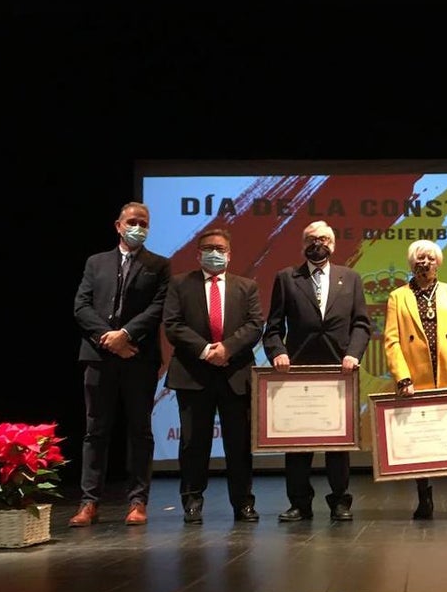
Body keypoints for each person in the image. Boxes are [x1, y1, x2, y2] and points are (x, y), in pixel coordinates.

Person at [262, 221, 371, 521]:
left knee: (339, 443)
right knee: (297, 443)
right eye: (311, 239)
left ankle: (340, 501)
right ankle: (300, 503)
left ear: (333, 245)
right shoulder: (286, 278)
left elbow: (361, 324)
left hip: (339, 372)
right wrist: (278, 353)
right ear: (302, 245)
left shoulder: (350, 278)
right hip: (298, 372)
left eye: (324, 239)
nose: (317, 243)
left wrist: (353, 354)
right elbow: (272, 328)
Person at [71, 201, 171, 527]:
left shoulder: (159, 265)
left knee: (140, 432)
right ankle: (89, 503)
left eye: (143, 222)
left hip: (138, 359)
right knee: (95, 432)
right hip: (98, 357)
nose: (138, 227)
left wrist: (126, 335)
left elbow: (158, 308)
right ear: (118, 225)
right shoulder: (95, 262)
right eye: (132, 221)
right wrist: (108, 337)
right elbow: (81, 306)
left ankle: (138, 502)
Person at [162, 228, 264, 524]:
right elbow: (173, 325)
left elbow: (254, 325)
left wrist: (227, 349)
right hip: (193, 374)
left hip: (235, 375)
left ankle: (243, 503)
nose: (214, 253)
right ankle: (192, 502)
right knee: (194, 443)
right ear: (198, 253)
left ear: (229, 254)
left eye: (220, 248)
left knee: (239, 444)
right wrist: (207, 350)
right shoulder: (180, 284)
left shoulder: (247, 287)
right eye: (208, 248)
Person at [383, 240, 447, 520]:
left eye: (429, 258)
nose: (424, 262)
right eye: (418, 258)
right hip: (416, 380)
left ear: (438, 262)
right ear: (411, 263)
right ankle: (424, 499)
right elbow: (391, 342)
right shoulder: (397, 296)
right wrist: (402, 378)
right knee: (421, 443)